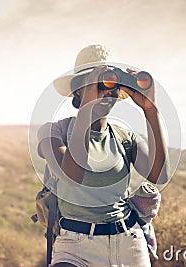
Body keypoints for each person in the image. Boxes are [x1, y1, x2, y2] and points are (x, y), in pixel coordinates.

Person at [37, 44, 169, 267]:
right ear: (78, 90)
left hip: (128, 242)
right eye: (97, 83)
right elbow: (72, 176)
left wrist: (150, 109)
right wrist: (88, 109)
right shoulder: (53, 132)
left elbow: (159, 175)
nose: (106, 91)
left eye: (111, 84)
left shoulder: (123, 136)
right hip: (74, 247)